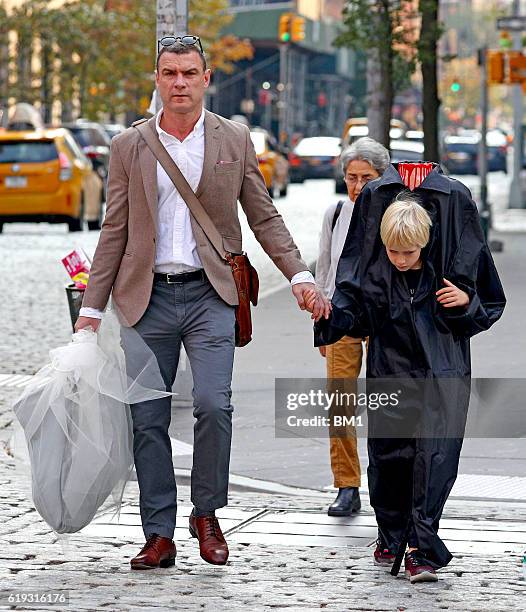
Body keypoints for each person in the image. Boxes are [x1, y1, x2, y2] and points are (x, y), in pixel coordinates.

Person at [75, 36, 329, 570]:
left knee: (215, 405)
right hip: (145, 299)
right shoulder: (130, 145)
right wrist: (90, 311)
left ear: (206, 78)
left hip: (211, 293)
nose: (180, 83)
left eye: (190, 73)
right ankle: (159, 532)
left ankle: (206, 514)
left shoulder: (233, 139)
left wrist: (300, 275)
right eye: (170, 73)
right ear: (157, 77)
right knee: (146, 418)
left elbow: (264, 216)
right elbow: (114, 230)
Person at [314, 185, 505, 583]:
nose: (400, 260)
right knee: (389, 459)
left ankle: (421, 547)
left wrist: (467, 305)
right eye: (393, 252)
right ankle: (392, 535)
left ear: (425, 245)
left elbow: (489, 305)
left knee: (434, 460)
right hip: (391, 374)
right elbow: (356, 319)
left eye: (409, 253)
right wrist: (326, 315)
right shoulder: (377, 276)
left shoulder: (447, 276)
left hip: (442, 375)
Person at [315, 138, 390, 517]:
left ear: (382, 176)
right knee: (340, 405)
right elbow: (324, 271)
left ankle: (388, 483)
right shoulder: (334, 214)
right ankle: (346, 485)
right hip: (342, 319)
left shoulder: (394, 212)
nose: (358, 186)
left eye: (367, 177)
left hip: (384, 322)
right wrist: (321, 327)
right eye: (351, 177)